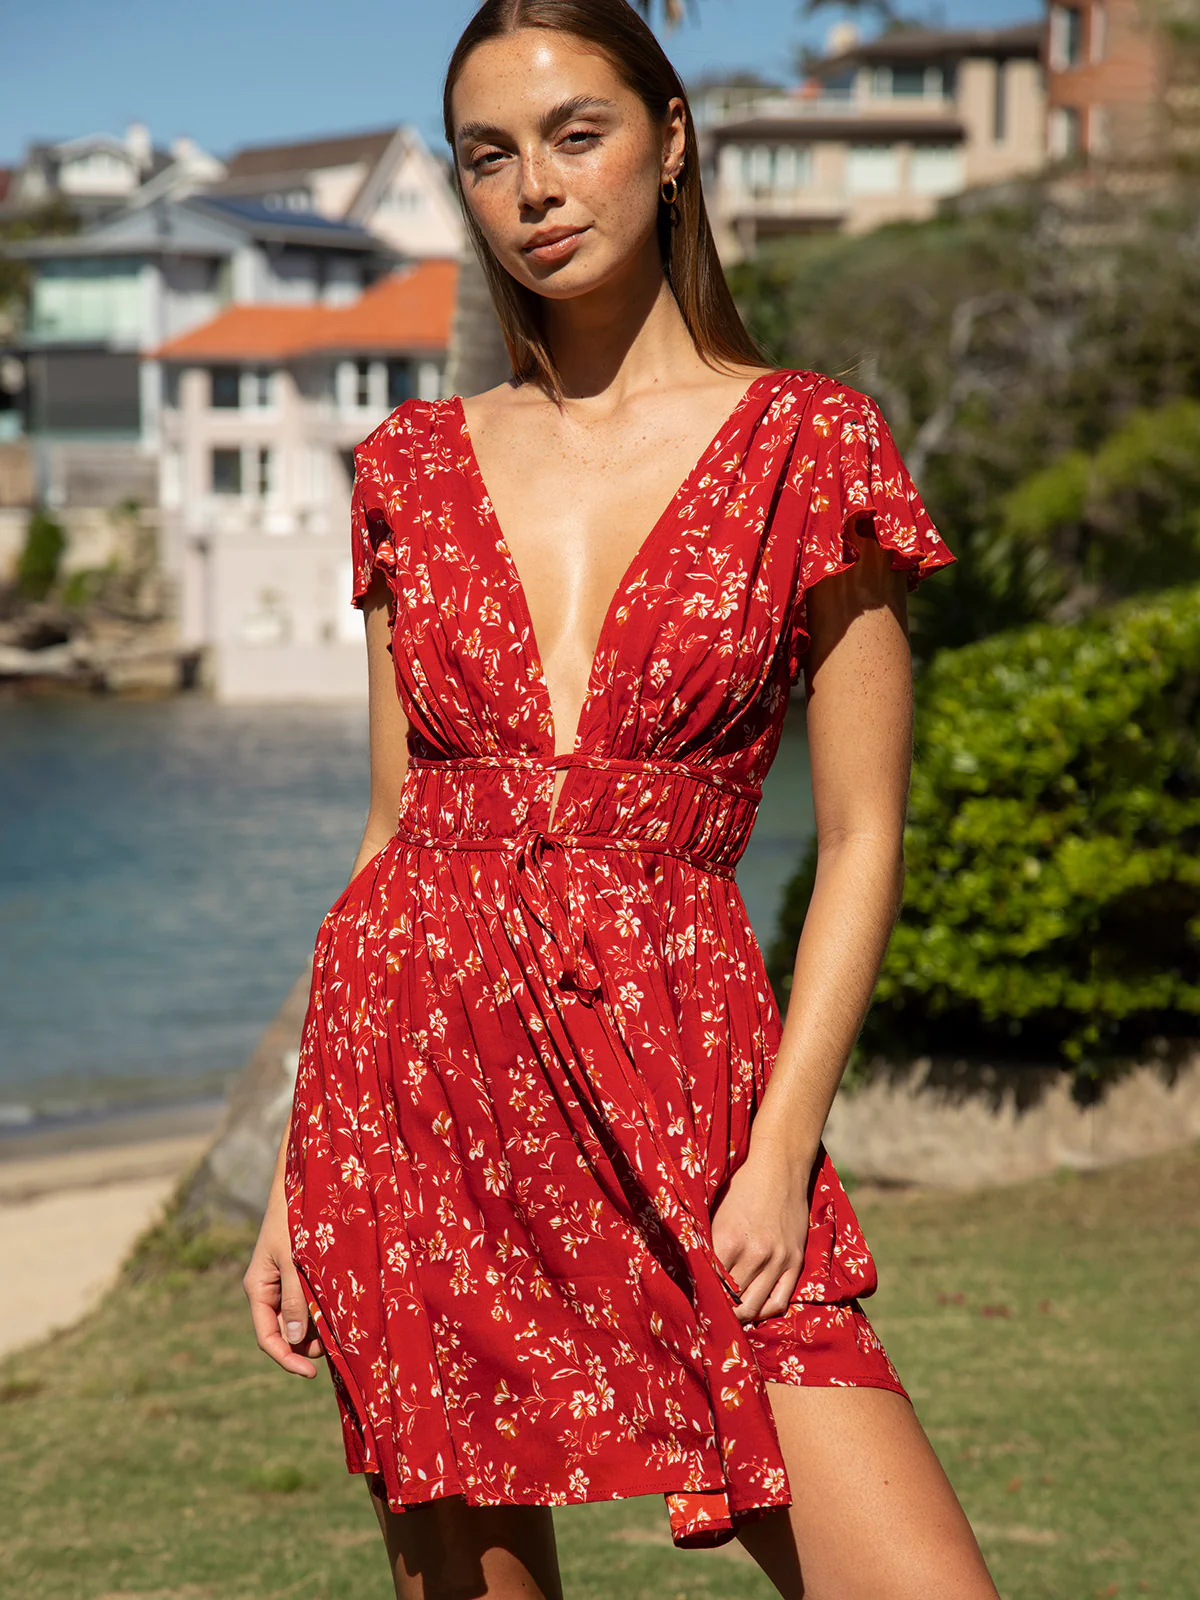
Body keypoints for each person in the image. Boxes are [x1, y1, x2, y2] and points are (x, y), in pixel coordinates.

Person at [243, 2, 1000, 1596]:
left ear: (671, 143)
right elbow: (391, 829)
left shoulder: (811, 441)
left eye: (576, 135)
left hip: (685, 1068)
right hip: (412, 1078)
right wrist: (296, 1178)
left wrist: (785, 1140)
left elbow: (864, 833)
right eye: (490, 156)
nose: (535, 188)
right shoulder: (411, 464)